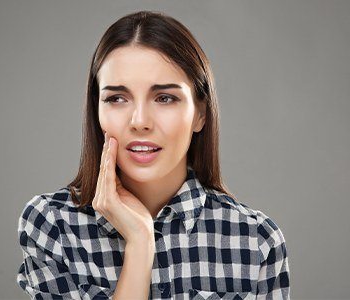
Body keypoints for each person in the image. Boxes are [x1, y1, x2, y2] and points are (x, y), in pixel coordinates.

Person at [16, 10, 290, 300]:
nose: (140, 121)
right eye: (117, 99)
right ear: (96, 111)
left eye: (165, 98)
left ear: (200, 114)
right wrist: (139, 243)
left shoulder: (256, 241)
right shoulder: (52, 226)